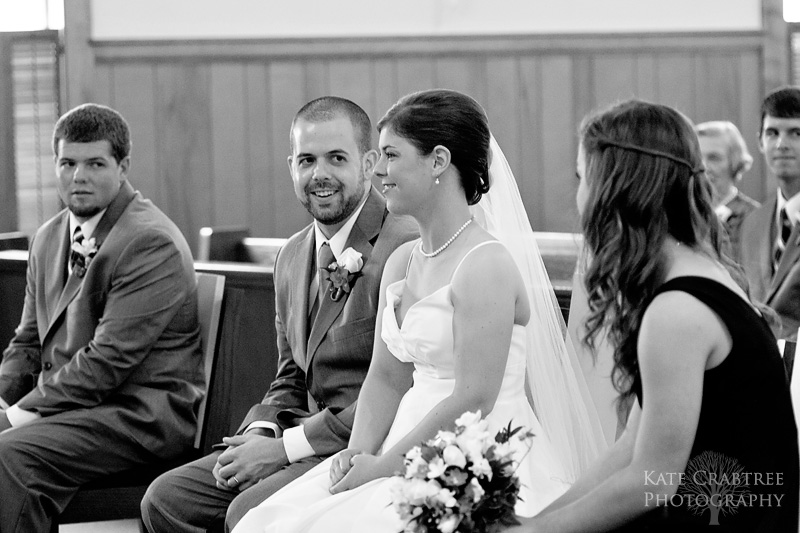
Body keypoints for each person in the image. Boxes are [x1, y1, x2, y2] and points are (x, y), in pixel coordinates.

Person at [231, 89, 606, 533]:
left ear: (438, 161)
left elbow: (473, 399)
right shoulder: (402, 260)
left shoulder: (485, 264)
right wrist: (358, 451)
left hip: (471, 454)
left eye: (390, 155)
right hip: (399, 440)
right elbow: (386, 378)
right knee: (265, 520)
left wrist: (385, 465)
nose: (380, 171)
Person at [506, 99, 799, 532]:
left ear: (614, 188)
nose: (579, 195)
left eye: (582, 177)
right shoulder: (695, 271)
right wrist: (534, 520)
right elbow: (630, 448)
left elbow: (651, 482)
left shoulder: (676, 309)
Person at [141, 96, 418, 533]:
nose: (319, 174)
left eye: (336, 159)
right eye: (306, 160)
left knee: (245, 513)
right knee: (167, 499)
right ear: (291, 165)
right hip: (299, 438)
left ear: (368, 164)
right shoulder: (291, 257)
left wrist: (284, 450)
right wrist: (261, 433)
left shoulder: (404, 246)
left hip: (367, 444)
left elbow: (402, 388)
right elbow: (292, 374)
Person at [0, 103, 204, 532]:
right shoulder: (49, 235)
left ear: (123, 165)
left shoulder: (149, 241)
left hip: (137, 415)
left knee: (9, 454)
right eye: (67, 163)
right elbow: (27, 340)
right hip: (75, 406)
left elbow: (106, 361)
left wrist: (16, 415)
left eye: (95, 163)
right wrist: (2, 399)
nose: (79, 176)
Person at [740, 86, 800, 343]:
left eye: (796, 133)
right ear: (760, 142)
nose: (782, 144)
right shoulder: (753, 222)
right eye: (772, 133)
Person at [695, 120, 759, 261]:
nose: (704, 167)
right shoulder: (683, 213)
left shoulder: (755, 218)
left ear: (735, 162)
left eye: (714, 158)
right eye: (698, 158)